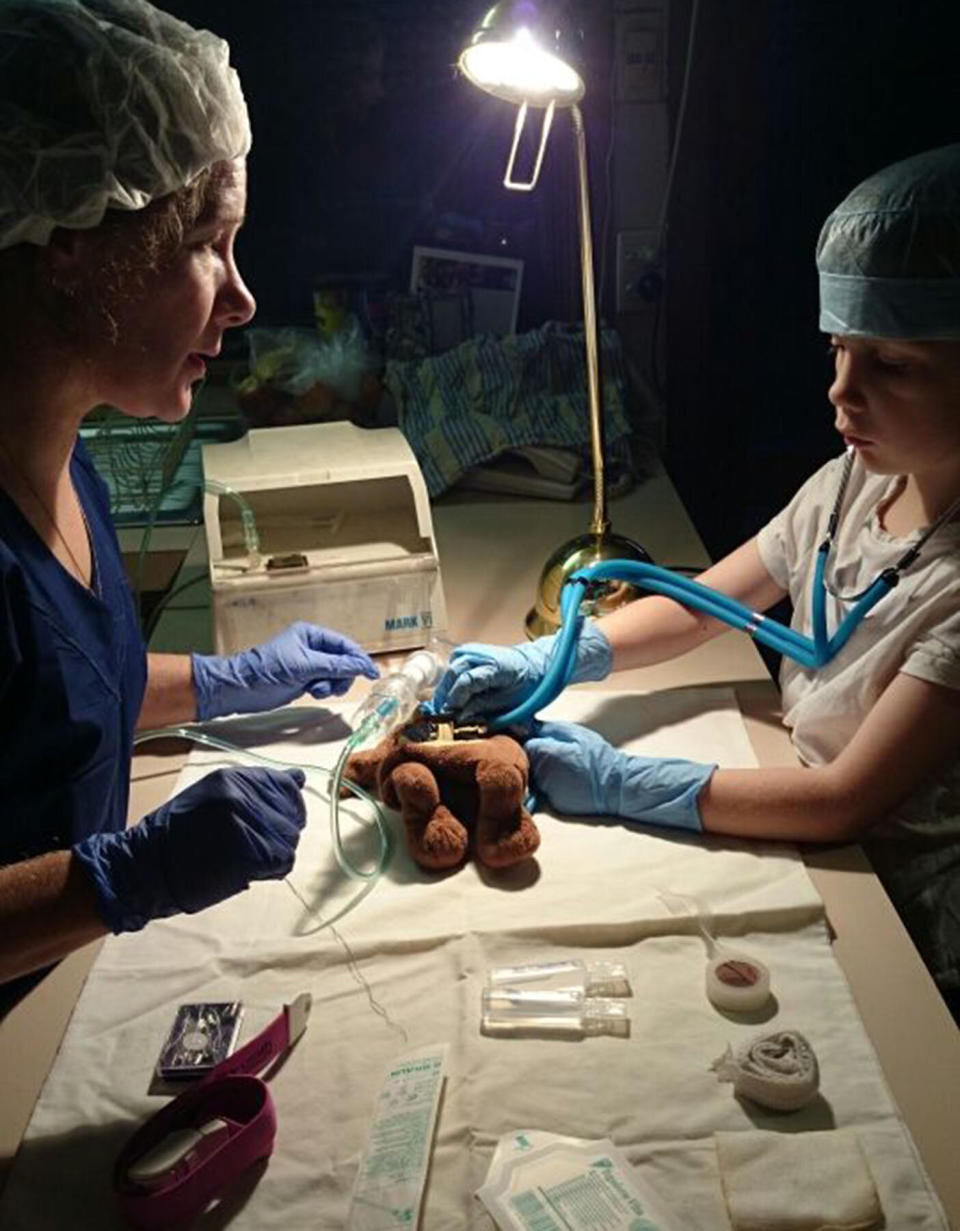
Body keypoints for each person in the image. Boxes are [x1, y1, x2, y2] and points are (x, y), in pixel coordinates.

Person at [432, 143, 960, 1019]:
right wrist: (555, 657)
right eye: (838, 350)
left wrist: (621, 782)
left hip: (897, 906)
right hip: (804, 817)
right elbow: (705, 604)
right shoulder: (857, 482)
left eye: (893, 365)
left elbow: (844, 800)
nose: (841, 394)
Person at [0, 0, 380, 988]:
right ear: (71, 246)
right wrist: (123, 878)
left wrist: (223, 682)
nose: (244, 297)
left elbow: (51, 708)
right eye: (209, 241)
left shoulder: (65, 459)